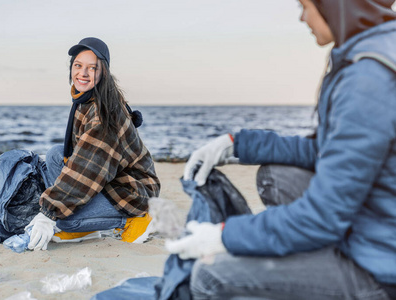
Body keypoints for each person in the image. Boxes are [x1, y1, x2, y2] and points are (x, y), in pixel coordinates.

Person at [166, 0, 396, 299]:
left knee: (210, 274)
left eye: (305, 5)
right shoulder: (375, 49)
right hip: (374, 228)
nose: (302, 17)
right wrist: (237, 144)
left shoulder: (367, 78)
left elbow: (322, 216)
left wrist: (224, 236)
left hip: (381, 270)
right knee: (275, 175)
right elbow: (324, 150)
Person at [26, 37, 161, 251]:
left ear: (103, 72)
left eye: (92, 68)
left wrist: (49, 213)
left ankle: (134, 220)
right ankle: (87, 224)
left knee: (63, 221)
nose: (83, 73)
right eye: (78, 66)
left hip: (132, 192)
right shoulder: (87, 98)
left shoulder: (104, 115)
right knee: (55, 154)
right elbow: (80, 157)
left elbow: (86, 171)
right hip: (109, 177)